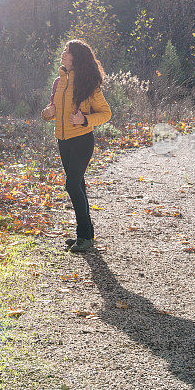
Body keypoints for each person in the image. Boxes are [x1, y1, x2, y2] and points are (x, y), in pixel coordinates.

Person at [42, 39, 112, 252]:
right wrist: (47, 114)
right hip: (63, 140)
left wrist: (84, 120)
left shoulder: (88, 83)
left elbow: (106, 113)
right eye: (63, 50)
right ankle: (86, 234)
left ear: (77, 57)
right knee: (78, 185)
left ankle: (84, 236)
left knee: (72, 185)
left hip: (82, 140)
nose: (63, 54)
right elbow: (52, 108)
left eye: (67, 51)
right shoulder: (58, 82)